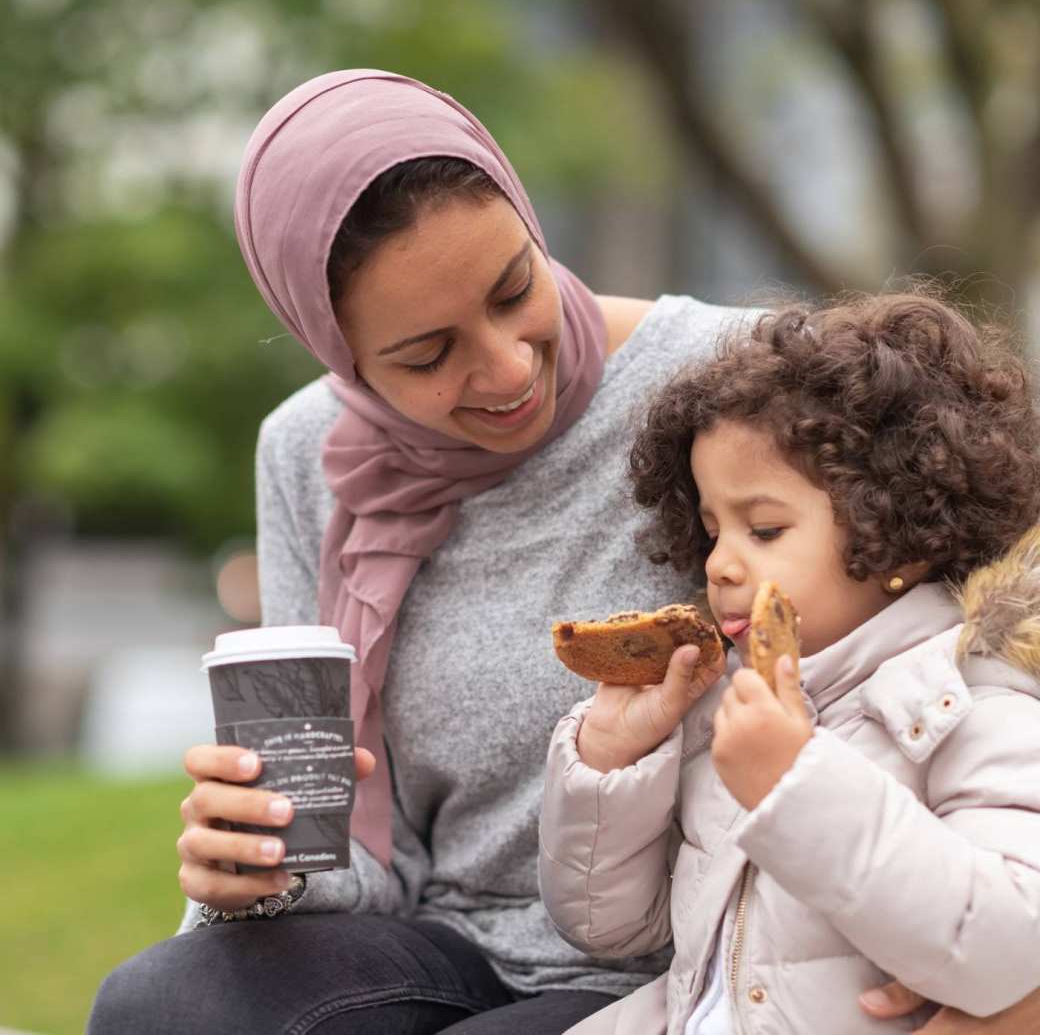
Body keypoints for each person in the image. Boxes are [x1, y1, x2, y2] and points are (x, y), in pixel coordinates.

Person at [87, 70, 1040, 1034]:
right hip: (440, 940)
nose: (504, 368)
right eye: (425, 355)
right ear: (338, 354)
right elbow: (344, 849)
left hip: (691, 963)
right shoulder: (307, 456)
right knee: (163, 1003)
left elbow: (983, 626)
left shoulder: (737, 388)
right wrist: (265, 868)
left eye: (515, 289)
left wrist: (995, 986)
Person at [538, 293, 1040, 1035]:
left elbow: (1009, 943)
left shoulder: (969, 701)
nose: (721, 566)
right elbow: (610, 927)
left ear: (899, 532)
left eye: (764, 528)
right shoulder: (728, 704)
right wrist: (614, 759)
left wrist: (796, 784)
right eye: (710, 531)